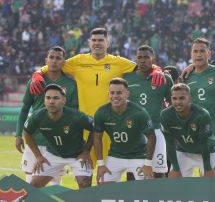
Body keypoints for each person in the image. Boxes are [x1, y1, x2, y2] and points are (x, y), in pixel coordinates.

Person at [28, 28, 165, 164]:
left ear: (108, 43)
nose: (97, 43)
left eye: (100, 40)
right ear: (89, 43)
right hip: (85, 124)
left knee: (108, 167)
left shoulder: (119, 62)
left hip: (110, 123)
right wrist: (38, 73)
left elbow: (143, 66)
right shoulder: (78, 61)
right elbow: (55, 65)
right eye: (94, 40)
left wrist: (157, 69)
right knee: (84, 169)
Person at [15, 46, 78, 184]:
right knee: (30, 179)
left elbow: (74, 114)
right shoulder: (35, 82)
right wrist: (18, 134)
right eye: (51, 57)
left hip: (58, 140)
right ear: (46, 60)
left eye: (58, 58)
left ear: (63, 62)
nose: (54, 60)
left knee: (55, 181)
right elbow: (25, 108)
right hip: (34, 138)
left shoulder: (71, 85)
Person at [23, 84, 94, 189]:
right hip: (53, 154)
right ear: (44, 100)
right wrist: (38, 156)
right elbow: (26, 132)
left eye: (56, 98)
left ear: (64, 100)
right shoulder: (37, 116)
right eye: (48, 98)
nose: (51, 101)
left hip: (77, 155)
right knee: (33, 186)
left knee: (84, 184)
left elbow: (96, 128)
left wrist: (87, 151)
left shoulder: (76, 116)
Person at [123, 45, 173, 178]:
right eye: (139, 57)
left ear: (153, 59)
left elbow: (173, 103)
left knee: (159, 172)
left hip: (157, 130)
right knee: (133, 174)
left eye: (146, 57)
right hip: (134, 131)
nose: (142, 60)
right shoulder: (127, 79)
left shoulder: (164, 79)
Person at [183, 37, 215, 177]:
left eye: (202, 51)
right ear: (191, 53)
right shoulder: (186, 76)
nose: (198, 54)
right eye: (195, 51)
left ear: (209, 53)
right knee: (186, 178)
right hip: (190, 135)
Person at [94, 78, 156, 183]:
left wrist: (148, 164)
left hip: (138, 155)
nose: (115, 96)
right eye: (112, 93)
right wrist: (100, 164)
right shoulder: (101, 112)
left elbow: (151, 136)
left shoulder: (139, 112)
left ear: (127, 94)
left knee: (146, 189)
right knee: (103, 184)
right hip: (115, 155)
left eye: (119, 93)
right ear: (108, 94)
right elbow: (97, 137)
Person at [160, 83, 215, 177]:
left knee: (213, 186)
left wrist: (208, 168)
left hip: (207, 152)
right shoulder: (165, 115)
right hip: (183, 151)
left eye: (182, 98)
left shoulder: (202, 115)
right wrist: (175, 168)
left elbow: (204, 144)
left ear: (190, 99)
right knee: (176, 186)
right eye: (174, 98)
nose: (178, 102)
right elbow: (169, 143)